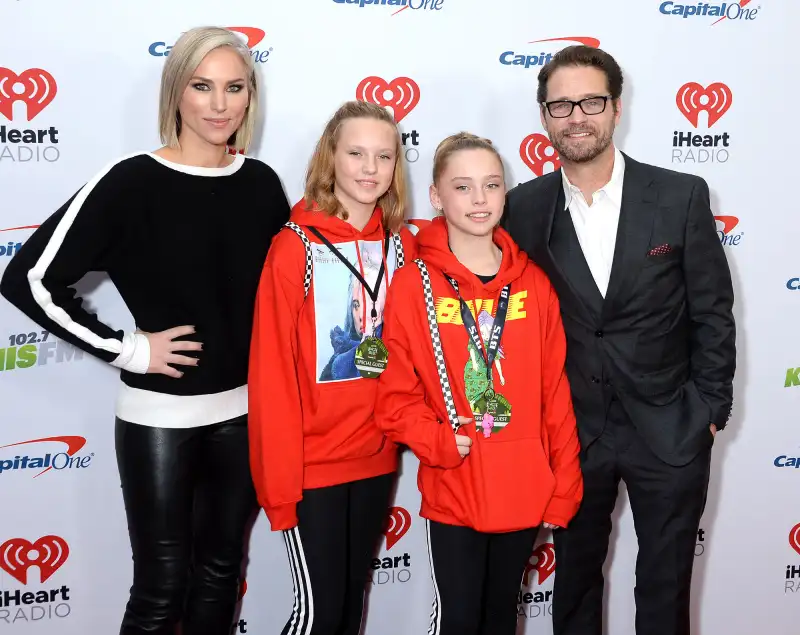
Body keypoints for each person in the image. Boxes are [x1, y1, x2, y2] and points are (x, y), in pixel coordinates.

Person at [0, 26, 291, 635]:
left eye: (234, 87)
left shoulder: (262, 185)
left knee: (218, 574)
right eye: (202, 86)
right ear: (175, 93)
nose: (219, 104)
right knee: (161, 589)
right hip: (160, 420)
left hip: (245, 416)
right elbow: (28, 279)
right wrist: (128, 349)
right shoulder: (132, 180)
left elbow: (288, 300)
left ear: (250, 96)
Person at [503, 45, 736, 635]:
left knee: (664, 590)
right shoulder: (521, 209)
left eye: (591, 101)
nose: (575, 116)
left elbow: (713, 312)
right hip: (573, 432)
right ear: (544, 116)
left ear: (616, 108)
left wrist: (709, 408)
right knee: (574, 586)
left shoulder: (680, 195)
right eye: (561, 104)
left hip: (671, 427)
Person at [375, 132, 583, 635]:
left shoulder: (533, 283)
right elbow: (394, 394)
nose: (479, 200)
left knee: (499, 619)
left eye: (491, 185)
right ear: (436, 196)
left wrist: (564, 485)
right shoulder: (413, 284)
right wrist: (438, 442)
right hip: (456, 483)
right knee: (460, 621)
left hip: (523, 484)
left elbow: (554, 391)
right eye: (463, 187)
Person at [248, 100, 416, 635]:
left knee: (349, 610)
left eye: (383, 156)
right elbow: (271, 372)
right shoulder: (293, 247)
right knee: (317, 616)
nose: (370, 168)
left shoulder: (405, 244)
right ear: (330, 158)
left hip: (376, 456)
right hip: (311, 464)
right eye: (356, 153)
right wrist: (279, 488)